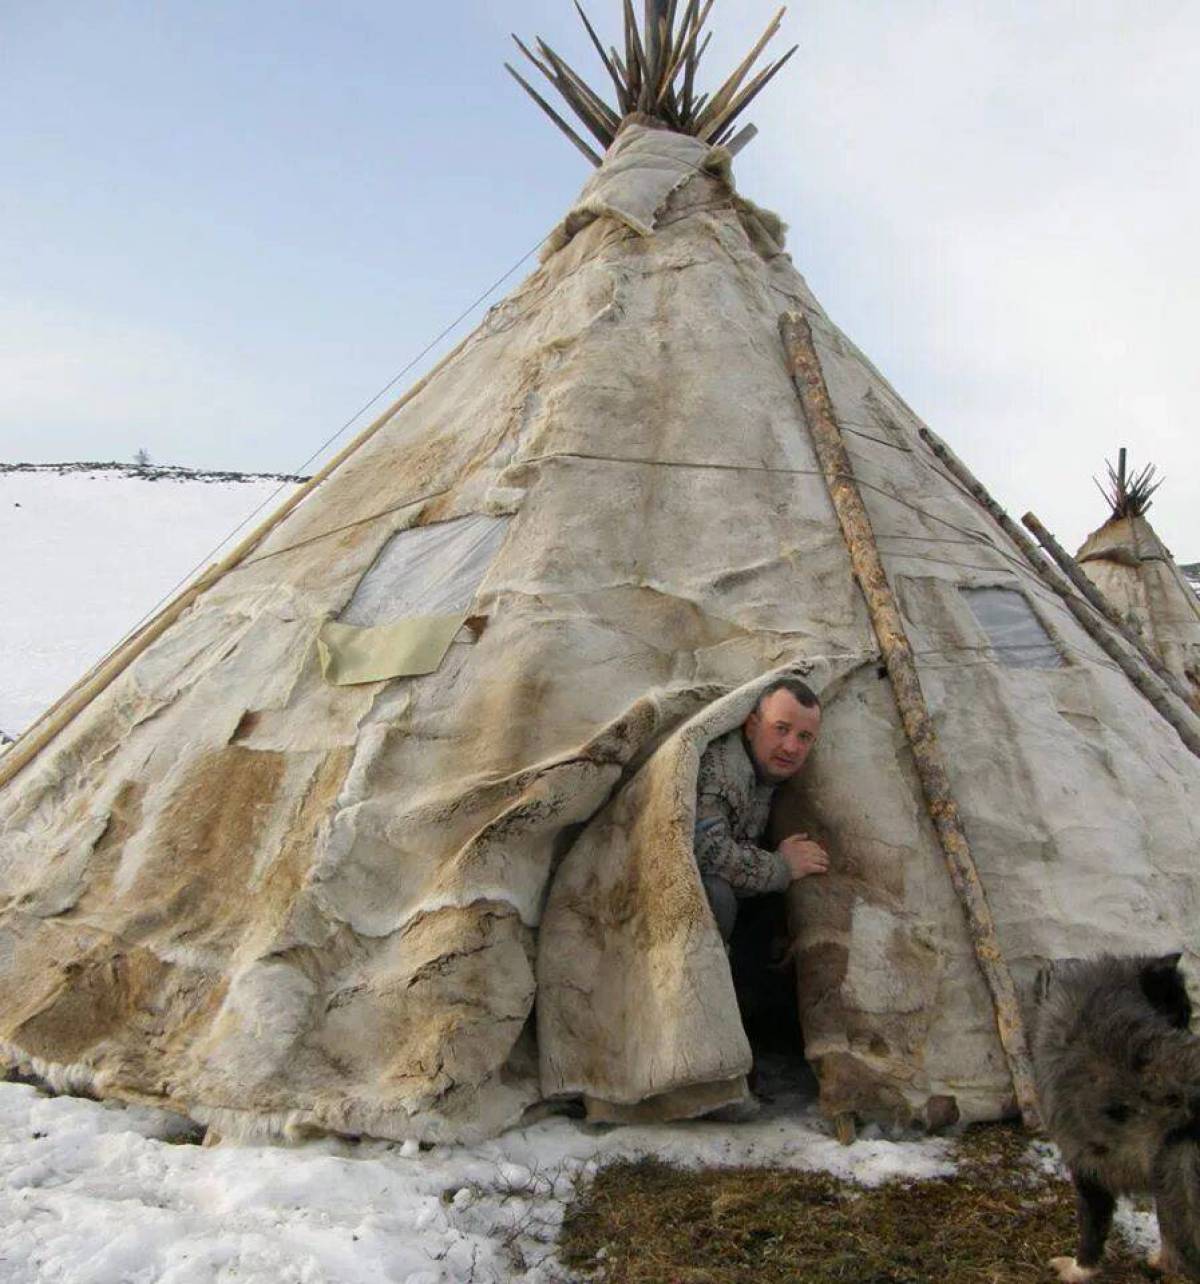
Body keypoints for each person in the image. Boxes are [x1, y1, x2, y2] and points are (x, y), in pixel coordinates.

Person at [694, 677, 829, 943]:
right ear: (752, 726)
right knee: (716, 896)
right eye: (781, 728)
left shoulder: (763, 769)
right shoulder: (724, 776)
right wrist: (781, 867)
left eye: (804, 737)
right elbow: (705, 853)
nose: (791, 747)